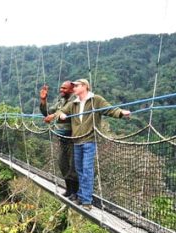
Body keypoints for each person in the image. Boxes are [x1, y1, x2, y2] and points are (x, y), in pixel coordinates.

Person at [50, 79, 131, 211]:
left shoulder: (96, 100)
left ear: (85, 87)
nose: (74, 88)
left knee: (87, 170)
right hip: (77, 141)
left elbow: (109, 110)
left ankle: (87, 201)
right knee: (80, 170)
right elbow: (59, 112)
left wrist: (121, 113)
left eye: (76, 86)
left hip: (89, 140)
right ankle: (81, 196)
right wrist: (62, 115)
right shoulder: (74, 103)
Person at [40, 81, 79, 198]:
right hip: (62, 138)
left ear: (71, 89)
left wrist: (53, 116)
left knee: (73, 166)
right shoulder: (61, 101)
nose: (61, 90)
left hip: (73, 137)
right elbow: (47, 113)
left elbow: (65, 111)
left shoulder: (75, 101)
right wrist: (43, 100)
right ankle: (69, 189)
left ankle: (75, 193)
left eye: (64, 88)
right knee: (63, 164)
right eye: (61, 88)